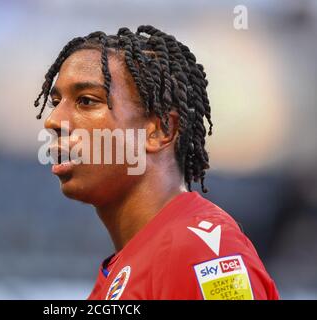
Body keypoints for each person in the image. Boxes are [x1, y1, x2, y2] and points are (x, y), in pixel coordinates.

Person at [34, 25, 279, 300]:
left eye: (87, 101)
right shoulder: (131, 265)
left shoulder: (201, 253)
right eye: (56, 101)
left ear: (160, 130)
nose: (53, 120)